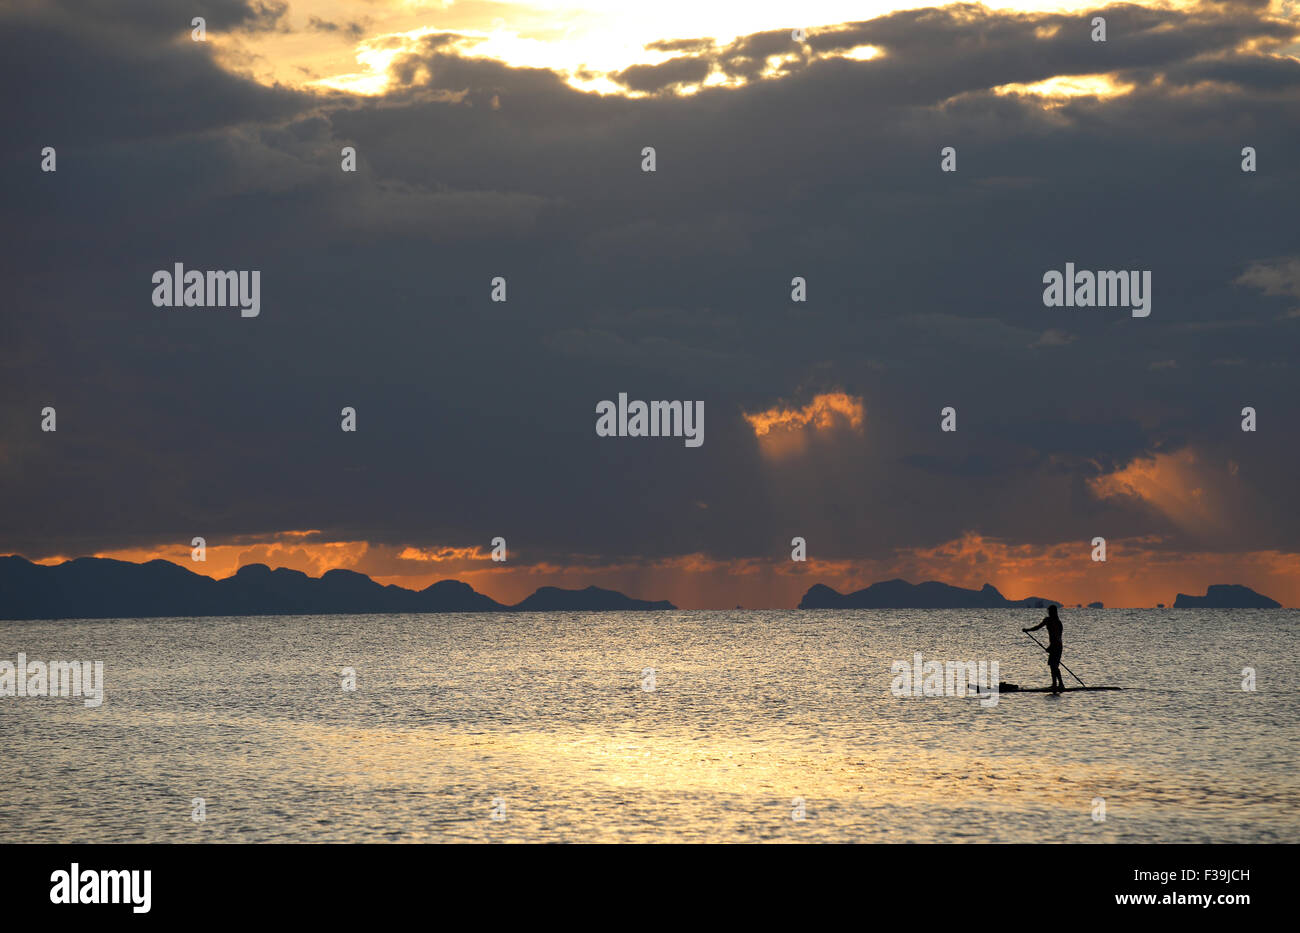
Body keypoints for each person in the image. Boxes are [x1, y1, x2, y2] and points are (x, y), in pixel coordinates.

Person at [1024, 604, 1065, 692]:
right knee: (1052, 665)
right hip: (1054, 646)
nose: (1049, 613)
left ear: (1054, 612)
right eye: (1048, 611)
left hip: (1057, 646)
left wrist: (1051, 647)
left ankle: (1060, 684)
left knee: (1054, 665)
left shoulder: (1058, 622)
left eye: (1050, 611)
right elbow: (1037, 627)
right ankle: (1054, 684)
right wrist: (1028, 630)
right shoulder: (1047, 620)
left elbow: (1057, 636)